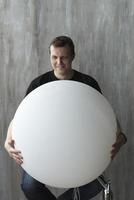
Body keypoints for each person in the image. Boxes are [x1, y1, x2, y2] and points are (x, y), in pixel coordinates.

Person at [4, 36, 127, 200]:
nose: (59, 62)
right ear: (50, 56)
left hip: (79, 148)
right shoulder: (39, 84)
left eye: (64, 57)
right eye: (54, 57)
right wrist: (7, 140)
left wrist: (121, 136)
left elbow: (104, 115)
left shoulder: (87, 83)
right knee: (29, 186)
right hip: (42, 148)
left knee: (95, 184)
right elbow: (21, 116)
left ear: (73, 56)